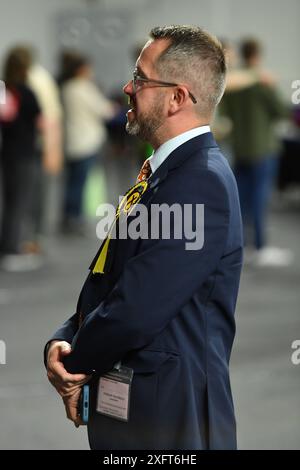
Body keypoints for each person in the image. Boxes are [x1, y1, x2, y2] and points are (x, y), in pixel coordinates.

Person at [45, 25, 243, 450]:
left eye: (141, 79)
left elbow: (137, 307)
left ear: (177, 97)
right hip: (142, 409)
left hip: (171, 420)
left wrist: (74, 361)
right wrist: (64, 337)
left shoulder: (198, 182)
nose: (127, 88)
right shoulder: (163, 173)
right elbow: (111, 276)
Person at [220, 38, 291, 267]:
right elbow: (281, 111)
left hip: (240, 147)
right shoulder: (261, 81)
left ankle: (243, 246)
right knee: (260, 199)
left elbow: (226, 112)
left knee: (242, 201)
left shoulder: (234, 84)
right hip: (262, 149)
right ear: (258, 55)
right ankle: (260, 247)